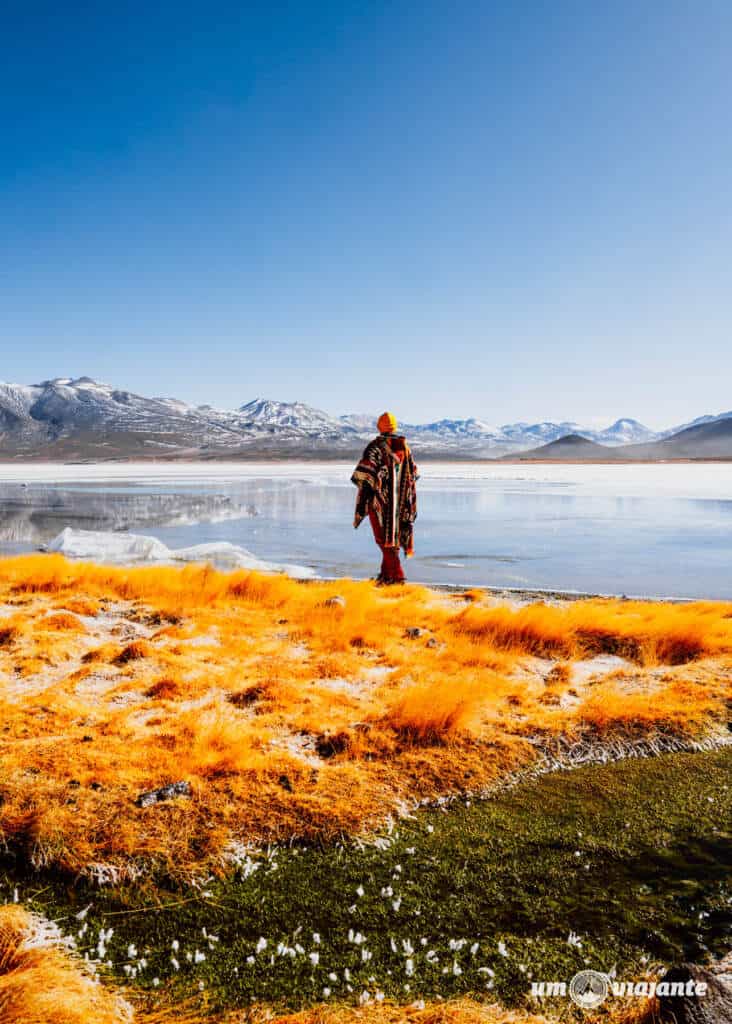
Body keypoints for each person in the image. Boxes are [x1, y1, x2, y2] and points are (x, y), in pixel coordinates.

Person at [351, 412, 418, 584]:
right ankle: (385, 576)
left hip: (380, 503)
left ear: (379, 427)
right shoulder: (405, 447)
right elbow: (414, 474)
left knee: (384, 541)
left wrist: (365, 500)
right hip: (401, 504)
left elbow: (364, 476)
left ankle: (397, 578)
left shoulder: (375, 448)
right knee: (391, 541)